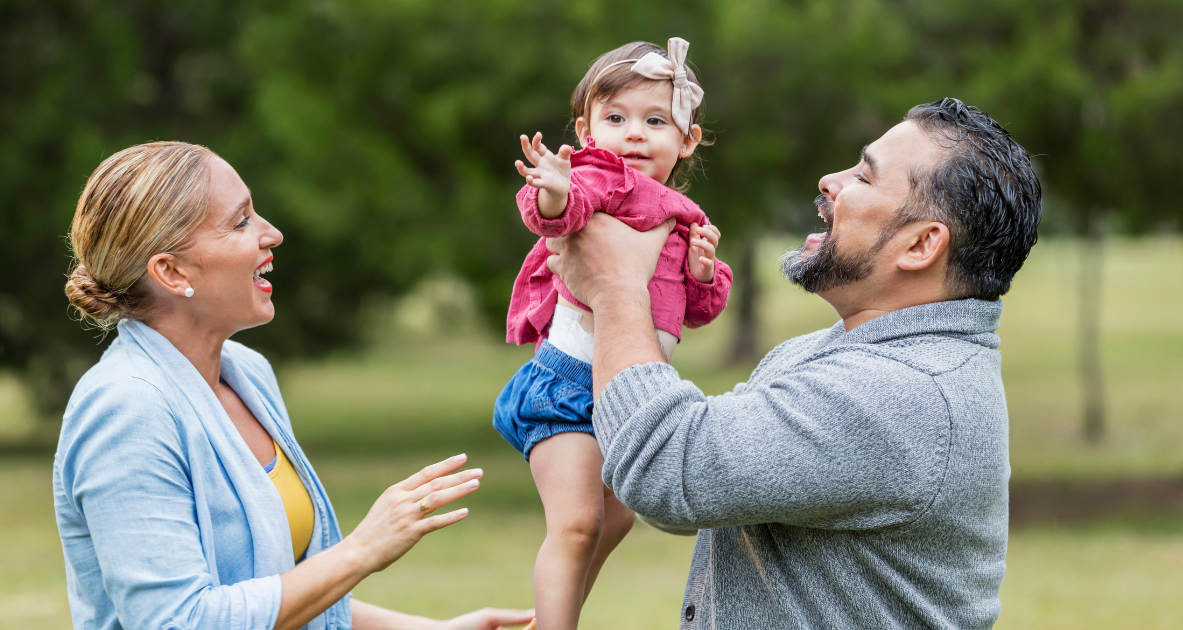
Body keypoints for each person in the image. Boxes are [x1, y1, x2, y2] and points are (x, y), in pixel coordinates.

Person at [543, 98, 1042, 629]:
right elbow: (694, 490)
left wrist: (615, 287)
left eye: (864, 178)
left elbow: (665, 470)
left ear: (921, 245)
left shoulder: (899, 393)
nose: (831, 180)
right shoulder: (826, 354)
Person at [54, 141, 536, 630]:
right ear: (172, 272)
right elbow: (179, 621)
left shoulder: (247, 373)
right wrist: (361, 551)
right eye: (241, 221)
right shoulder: (127, 410)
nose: (273, 234)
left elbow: (282, 593)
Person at [493, 39, 732, 630]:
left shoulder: (682, 213)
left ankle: (552, 614)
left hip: (630, 391)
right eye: (616, 118)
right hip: (569, 386)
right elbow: (562, 210)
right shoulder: (604, 177)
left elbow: (693, 311)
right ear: (587, 127)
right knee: (577, 524)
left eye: (655, 121)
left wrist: (703, 272)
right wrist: (553, 187)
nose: (634, 135)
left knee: (617, 517)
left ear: (687, 139)